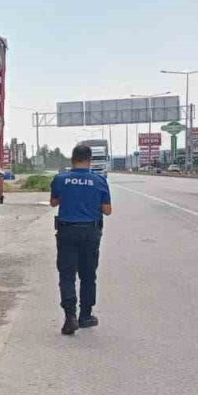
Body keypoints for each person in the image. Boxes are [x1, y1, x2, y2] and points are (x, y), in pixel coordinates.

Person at [50, 143, 112, 335]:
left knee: (67, 274)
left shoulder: (60, 179)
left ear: (72, 159)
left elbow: (53, 202)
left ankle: (70, 316)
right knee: (88, 274)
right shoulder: (99, 180)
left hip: (67, 231)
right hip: (90, 232)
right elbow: (107, 210)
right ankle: (85, 316)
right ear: (90, 160)